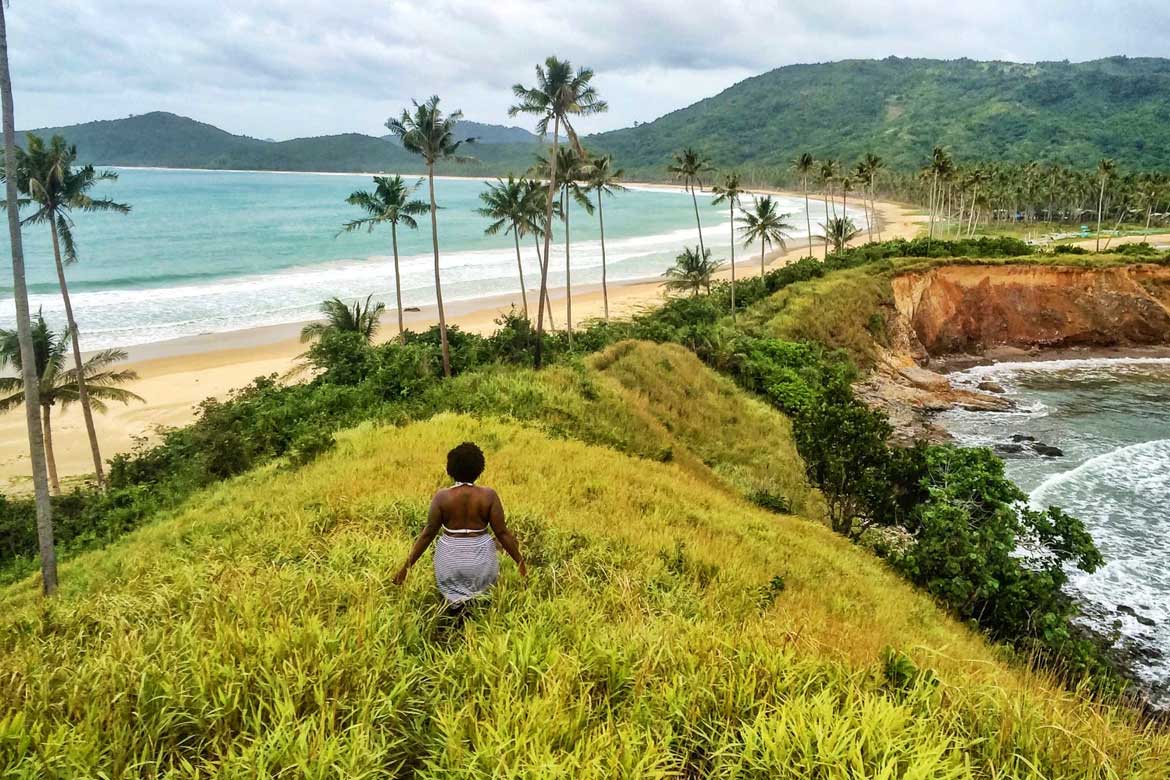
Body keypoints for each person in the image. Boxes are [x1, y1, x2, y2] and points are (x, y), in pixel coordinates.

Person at [393, 442, 526, 605]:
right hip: (481, 562)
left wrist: (405, 568)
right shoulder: (489, 495)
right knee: (481, 604)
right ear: (479, 469)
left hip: (450, 563)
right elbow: (502, 533)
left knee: (453, 603)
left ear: (451, 469)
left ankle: (453, 613)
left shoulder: (441, 497)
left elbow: (428, 534)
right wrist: (520, 562)